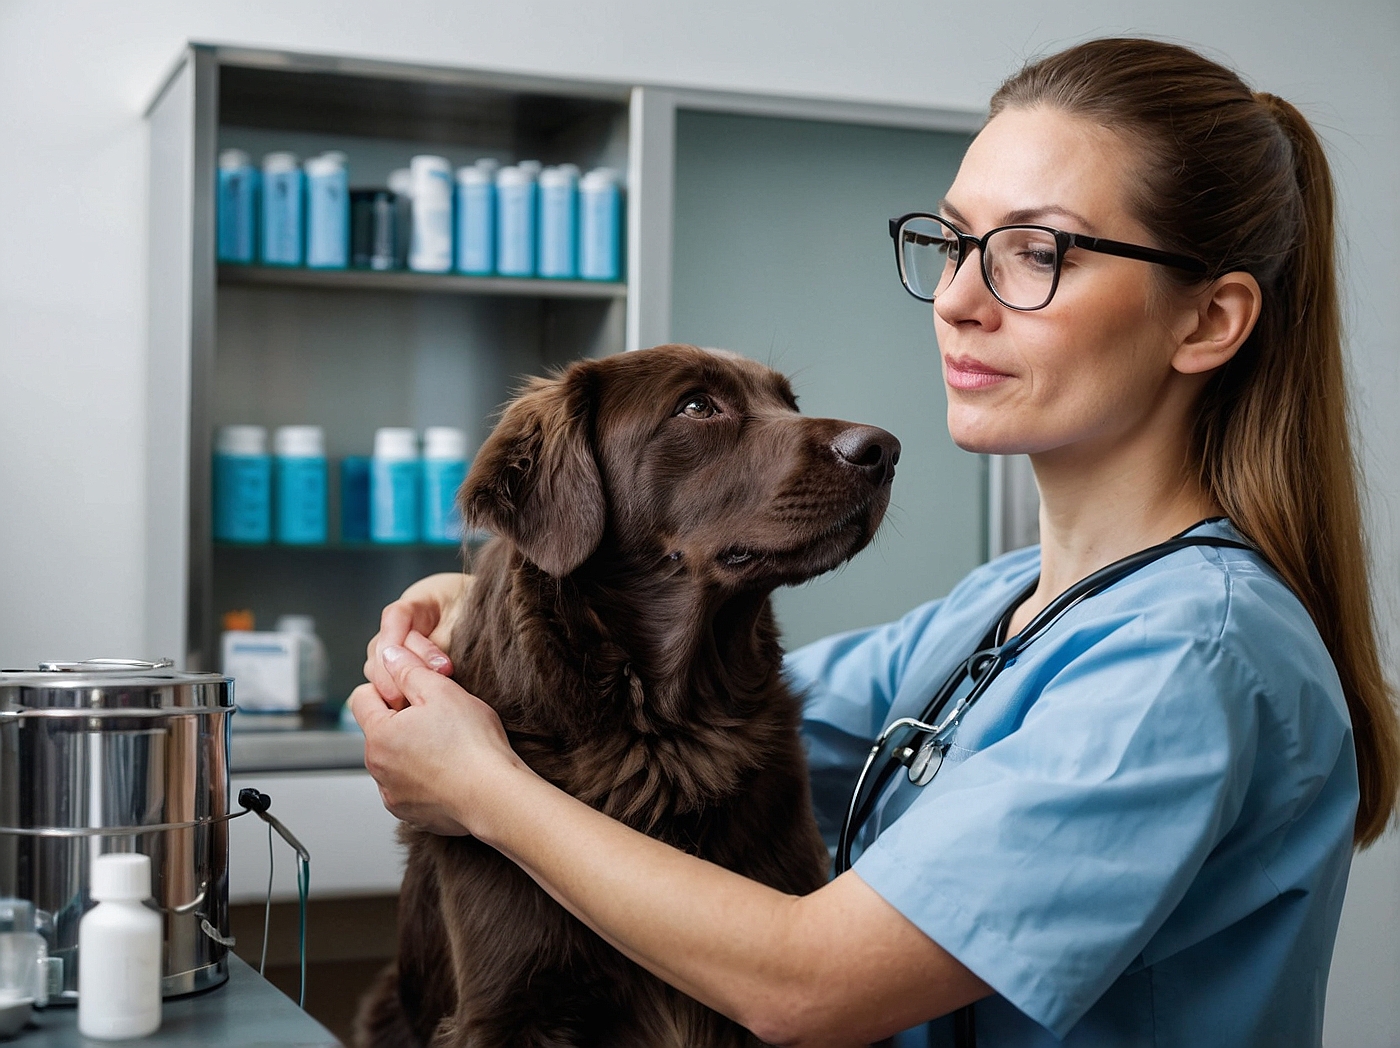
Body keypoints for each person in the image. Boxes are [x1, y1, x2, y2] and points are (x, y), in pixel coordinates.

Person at [349, 38, 1400, 1047]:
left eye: (1034, 253)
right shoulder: (1007, 607)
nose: (954, 301)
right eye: (951, 244)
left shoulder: (1189, 659)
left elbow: (810, 983)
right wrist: (484, 595)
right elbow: (683, 733)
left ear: (1206, 321)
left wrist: (480, 789)